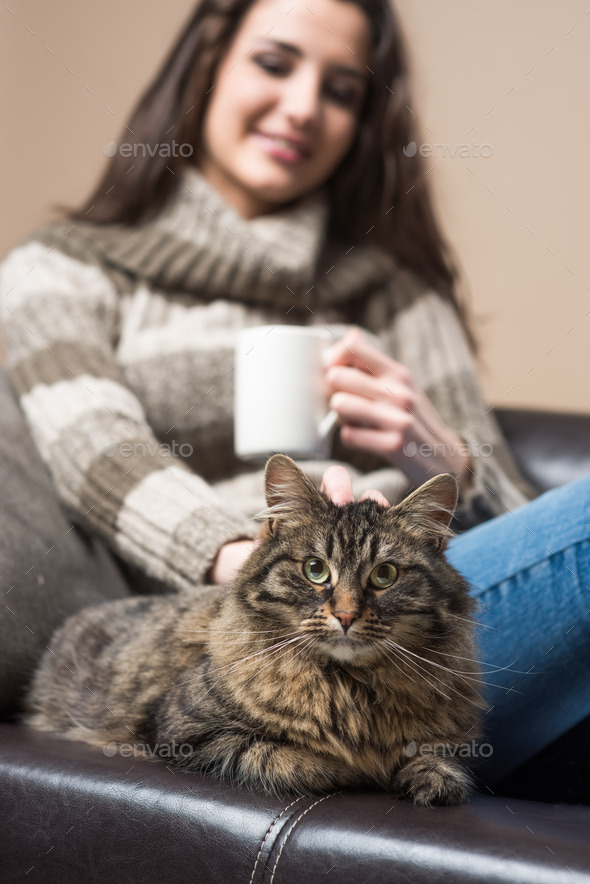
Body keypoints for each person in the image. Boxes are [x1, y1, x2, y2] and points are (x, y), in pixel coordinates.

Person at [1, 0, 588, 789]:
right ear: (207, 66)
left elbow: (537, 559)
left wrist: (449, 462)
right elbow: (95, 449)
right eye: (275, 64)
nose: (305, 107)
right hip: (251, 632)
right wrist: (255, 556)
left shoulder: (401, 293)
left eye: (342, 91)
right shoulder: (63, 269)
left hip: (427, 633)